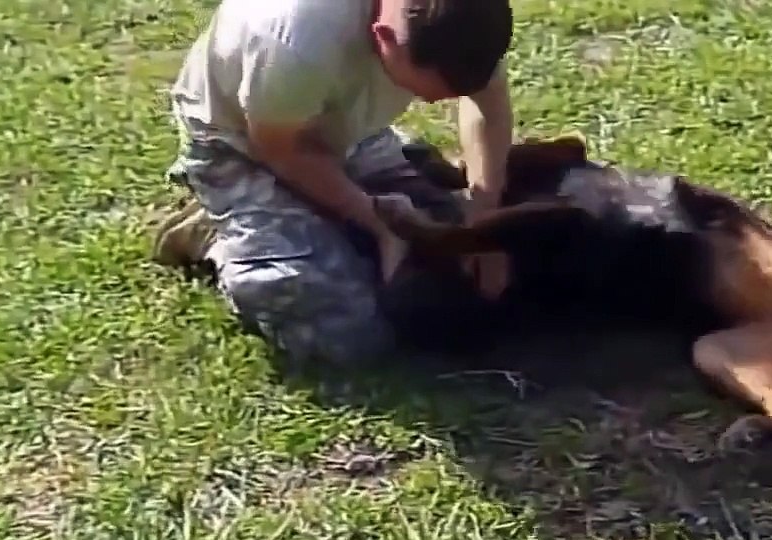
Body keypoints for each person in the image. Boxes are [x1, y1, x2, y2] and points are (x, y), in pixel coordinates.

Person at [160, 0, 516, 367]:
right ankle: (216, 232)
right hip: (242, 145)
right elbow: (282, 151)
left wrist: (484, 221)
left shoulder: (461, 17)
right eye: (428, 94)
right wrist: (380, 226)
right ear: (385, 38)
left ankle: (333, 220)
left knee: (445, 247)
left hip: (348, 129)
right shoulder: (294, 37)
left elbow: (486, 105)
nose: (426, 102)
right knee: (347, 327)